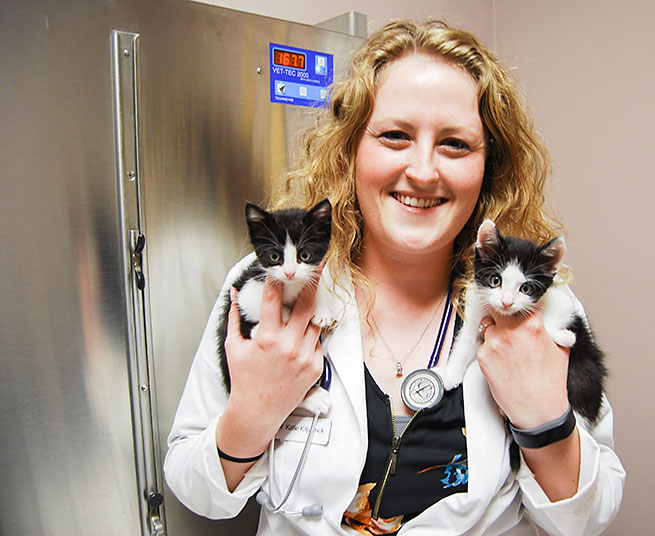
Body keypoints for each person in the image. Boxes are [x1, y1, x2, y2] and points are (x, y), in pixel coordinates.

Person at [164, 19, 625, 535]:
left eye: (454, 144)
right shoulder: (271, 291)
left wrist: (544, 420)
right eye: (394, 135)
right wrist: (252, 412)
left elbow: (589, 515)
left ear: (488, 166)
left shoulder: (539, 309)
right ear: (352, 149)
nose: (423, 171)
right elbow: (194, 487)